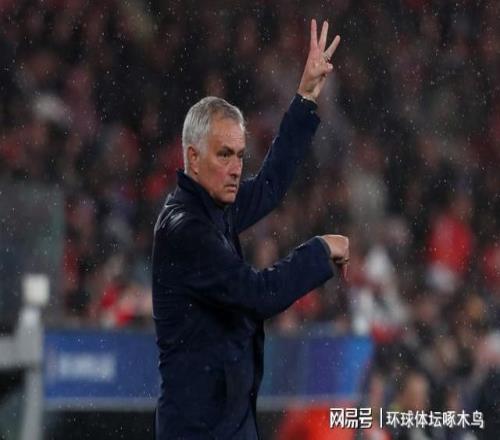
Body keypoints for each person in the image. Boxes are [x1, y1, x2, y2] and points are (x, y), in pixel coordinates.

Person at [152, 19, 349, 439]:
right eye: (224, 154)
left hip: (230, 419)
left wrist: (305, 97)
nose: (236, 168)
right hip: (198, 430)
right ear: (193, 157)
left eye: (241, 155)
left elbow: (271, 186)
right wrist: (319, 250)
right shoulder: (186, 229)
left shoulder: (214, 206)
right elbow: (259, 295)